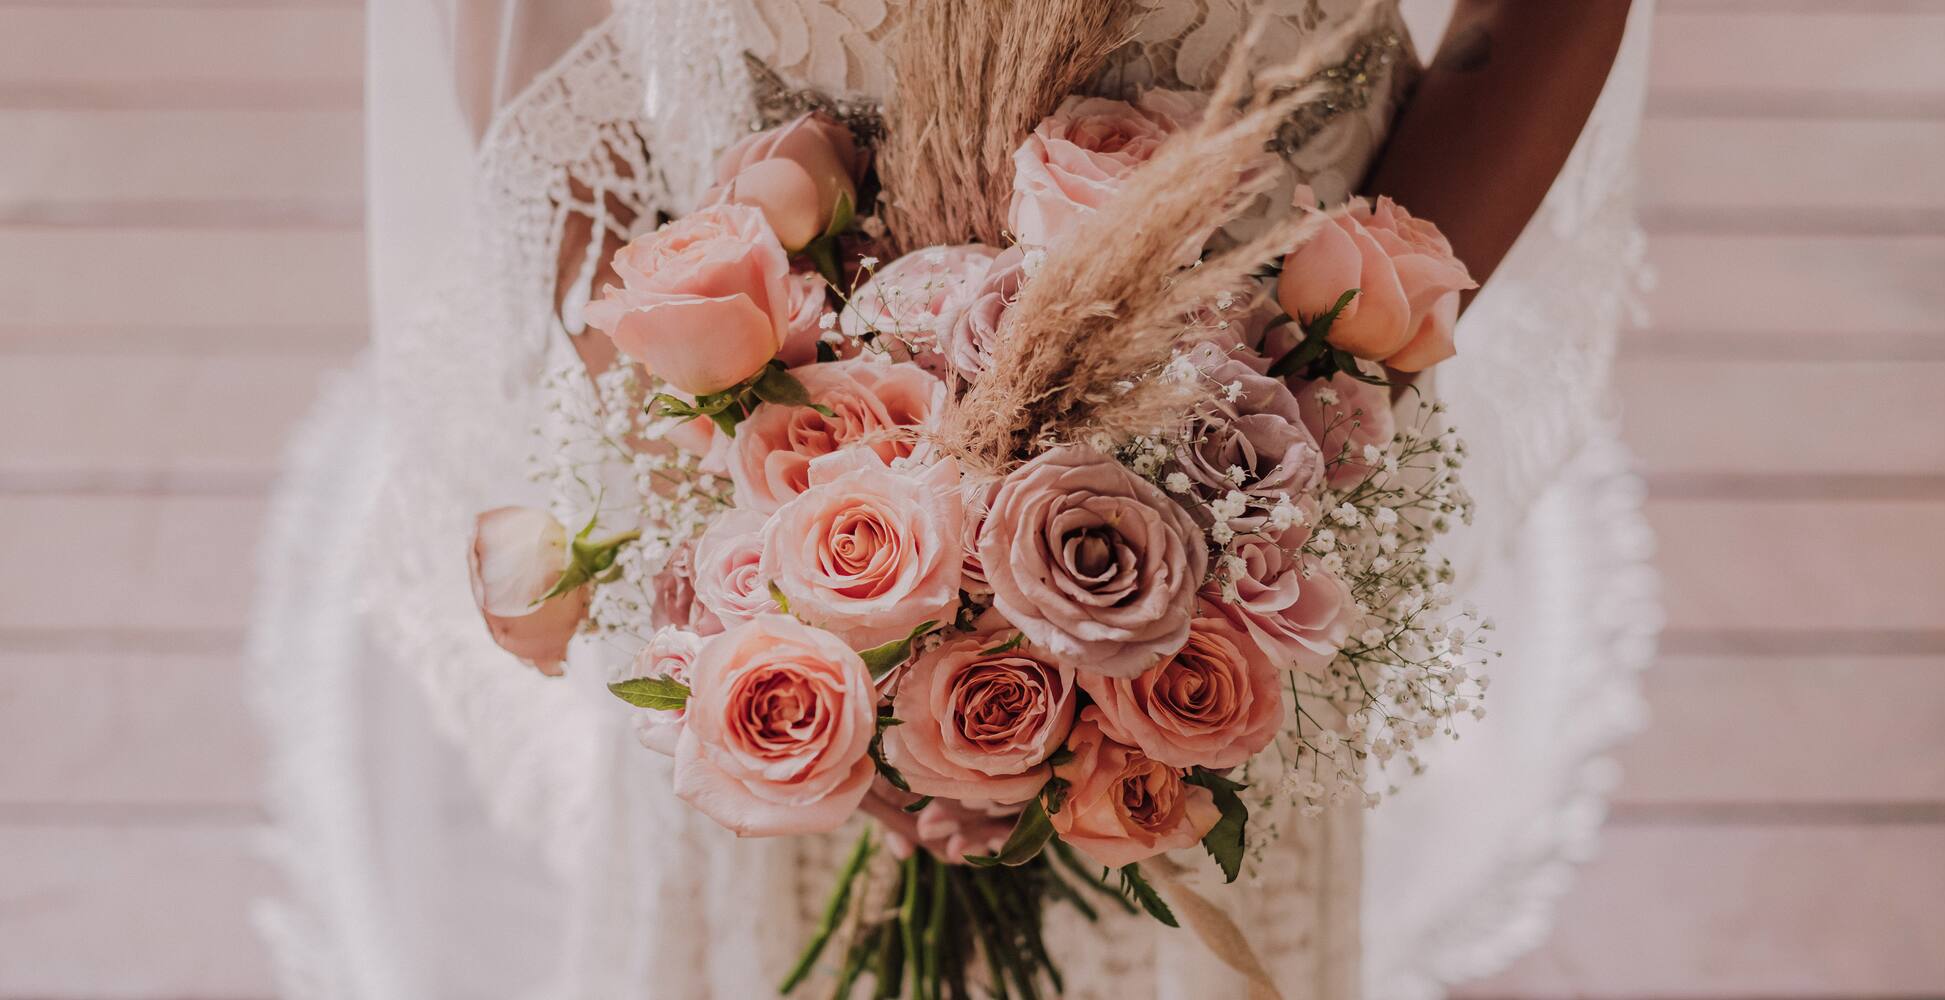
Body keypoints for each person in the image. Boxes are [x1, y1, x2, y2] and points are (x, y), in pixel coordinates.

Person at [248, 2, 1658, 997]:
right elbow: (528, 31)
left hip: (1248, 462)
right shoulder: (740, 516)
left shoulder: (1274, 469)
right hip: (768, 472)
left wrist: (1324, 392)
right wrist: (717, 467)